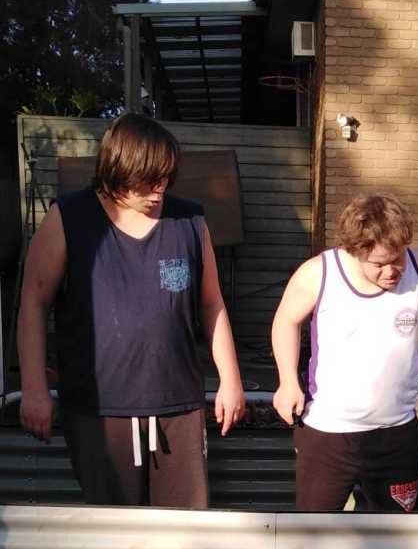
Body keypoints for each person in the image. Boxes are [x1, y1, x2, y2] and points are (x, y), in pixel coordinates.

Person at [17, 112, 246, 507]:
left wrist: (231, 379)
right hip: (100, 411)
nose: (159, 190)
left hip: (178, 406)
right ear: (117, 169)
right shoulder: (69, 219)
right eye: (148, 180)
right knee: (115, 534)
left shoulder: (189, 221)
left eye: (166, 179)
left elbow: (212, 305)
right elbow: (33, 304)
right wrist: (34, 388)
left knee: (184, 535)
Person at [271, 193, 418, 512]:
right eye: (379, 264)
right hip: (329, 433)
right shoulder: (318, 273)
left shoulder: (417, 264)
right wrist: (288, 381)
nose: (391, 271)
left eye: (396, 259)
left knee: (397, 539)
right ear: (354, 251)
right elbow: (285, 321)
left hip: (395, 434)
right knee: (314, 536)